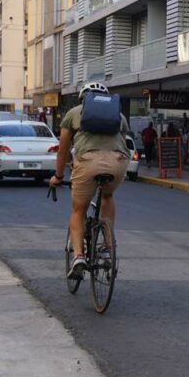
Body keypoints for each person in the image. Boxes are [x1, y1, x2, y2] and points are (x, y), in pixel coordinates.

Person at [50, 82, 131, 279]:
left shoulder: (74, 113)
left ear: (83, 98)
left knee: (78, 210)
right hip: (118, 162)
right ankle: (108, 246)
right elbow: (123, 140)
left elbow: (62, 149)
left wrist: (58, 176)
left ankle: (78, 256)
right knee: (107, 195)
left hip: (88, 162)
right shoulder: (118, 116)